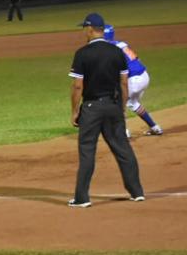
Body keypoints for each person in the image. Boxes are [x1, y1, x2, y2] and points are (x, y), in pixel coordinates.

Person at [68, 13, 145, 207]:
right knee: (123, 148)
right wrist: (121, 107)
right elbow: (124, 83)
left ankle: (82, 198)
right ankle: (137, 192)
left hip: (91, 108)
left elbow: (78, 86)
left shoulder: (82, 53)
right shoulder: (116, 52)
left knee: (87, 150)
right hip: (113, 106)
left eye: (84, 28)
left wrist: (75, 111)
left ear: (90, 29)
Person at [103, 25, 163, 137]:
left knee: (117, 103)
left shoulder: (108, 49)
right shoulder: (121, 44)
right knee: (133, 103)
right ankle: (155, 127)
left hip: (133, 80)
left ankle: (124, 132)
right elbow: (136, 59)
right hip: (144, 76)